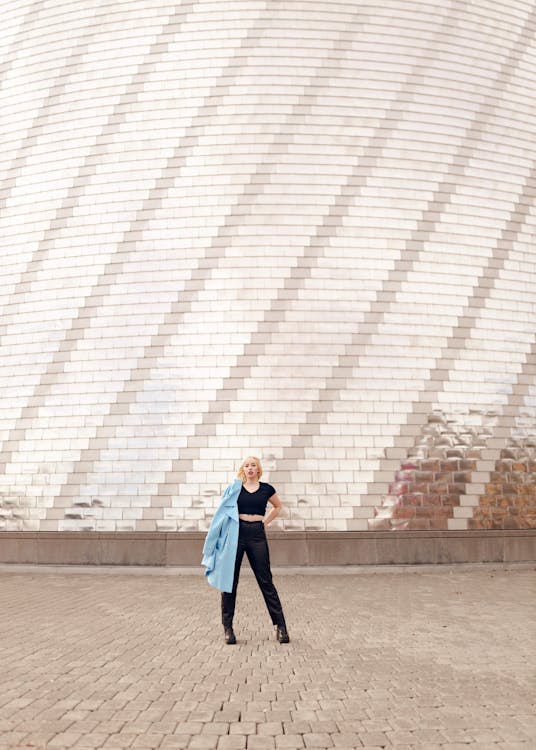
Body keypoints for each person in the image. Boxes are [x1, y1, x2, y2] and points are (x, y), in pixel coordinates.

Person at [202, 456, 290, 645]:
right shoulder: (235, 488)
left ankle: (281, 627)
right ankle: (228, 629)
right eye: (247, 466)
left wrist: (264, 522)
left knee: (266, 580)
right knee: (229, 581)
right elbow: (222, 512)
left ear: (258, 470)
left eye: (253, 465)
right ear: (243, 470)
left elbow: (278, 506)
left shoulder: (267, 489)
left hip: (257, 534)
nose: (250, 468)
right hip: (236, 533)